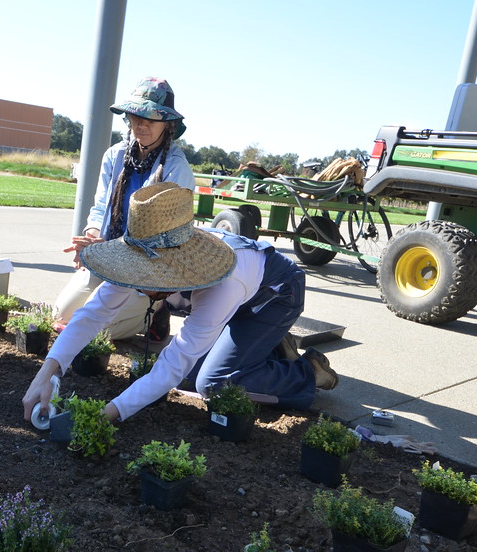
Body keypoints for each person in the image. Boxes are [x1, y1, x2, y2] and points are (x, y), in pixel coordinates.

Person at [23, 182, 339, 425]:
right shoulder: (145, 249)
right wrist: (45, 375)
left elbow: (173, 365)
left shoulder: (222, 282)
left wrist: (105, 415)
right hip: (233, 300)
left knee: (212, 383)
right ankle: (263, 347)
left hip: (273, 296)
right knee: (190, 373)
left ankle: (306, 372)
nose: (139, 284)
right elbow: (92, 315)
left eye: (149, 278)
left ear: (173, 268)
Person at [54, 77, 195, 340]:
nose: (141, 125)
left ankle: (156, 308)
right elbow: (99, 209)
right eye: (135, 117)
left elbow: (168, 238)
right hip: (109, 257)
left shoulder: (176, 168)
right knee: (62, 314)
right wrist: (94, 237)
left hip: (148, 268)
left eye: (150, 119)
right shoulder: (115, 155)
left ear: (168, 124)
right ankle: (125, 314)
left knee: (95, 329)